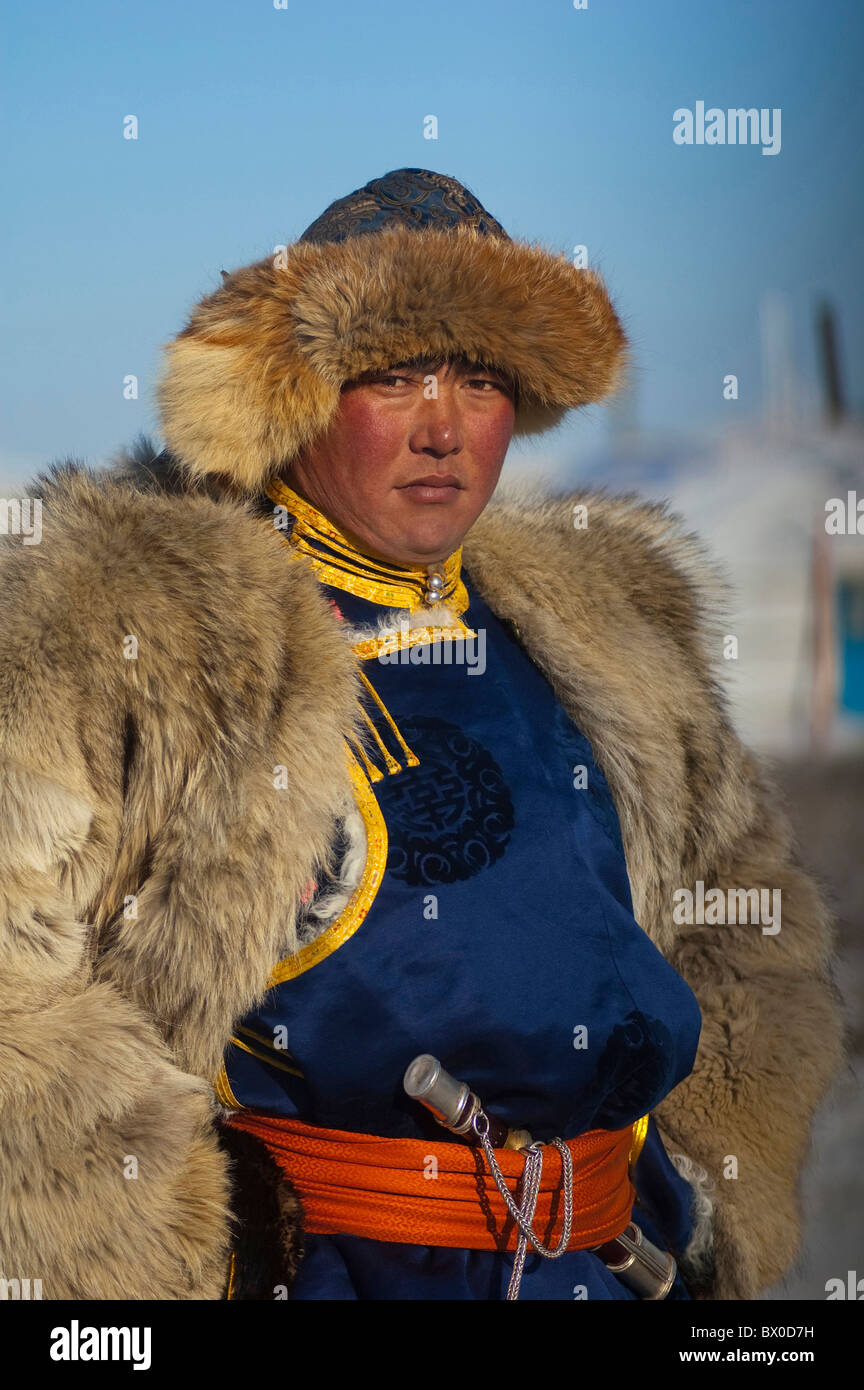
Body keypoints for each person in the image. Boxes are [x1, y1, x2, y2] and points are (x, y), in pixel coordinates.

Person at [0, 168, 842, 1302]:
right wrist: (140, 1265)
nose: (444, 426)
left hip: (617, 1269)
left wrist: (719, 1187)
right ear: (292, 399)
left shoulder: (610, 637)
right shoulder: (128, 640)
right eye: (393, 377)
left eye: (483, 379)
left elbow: (744, 910)